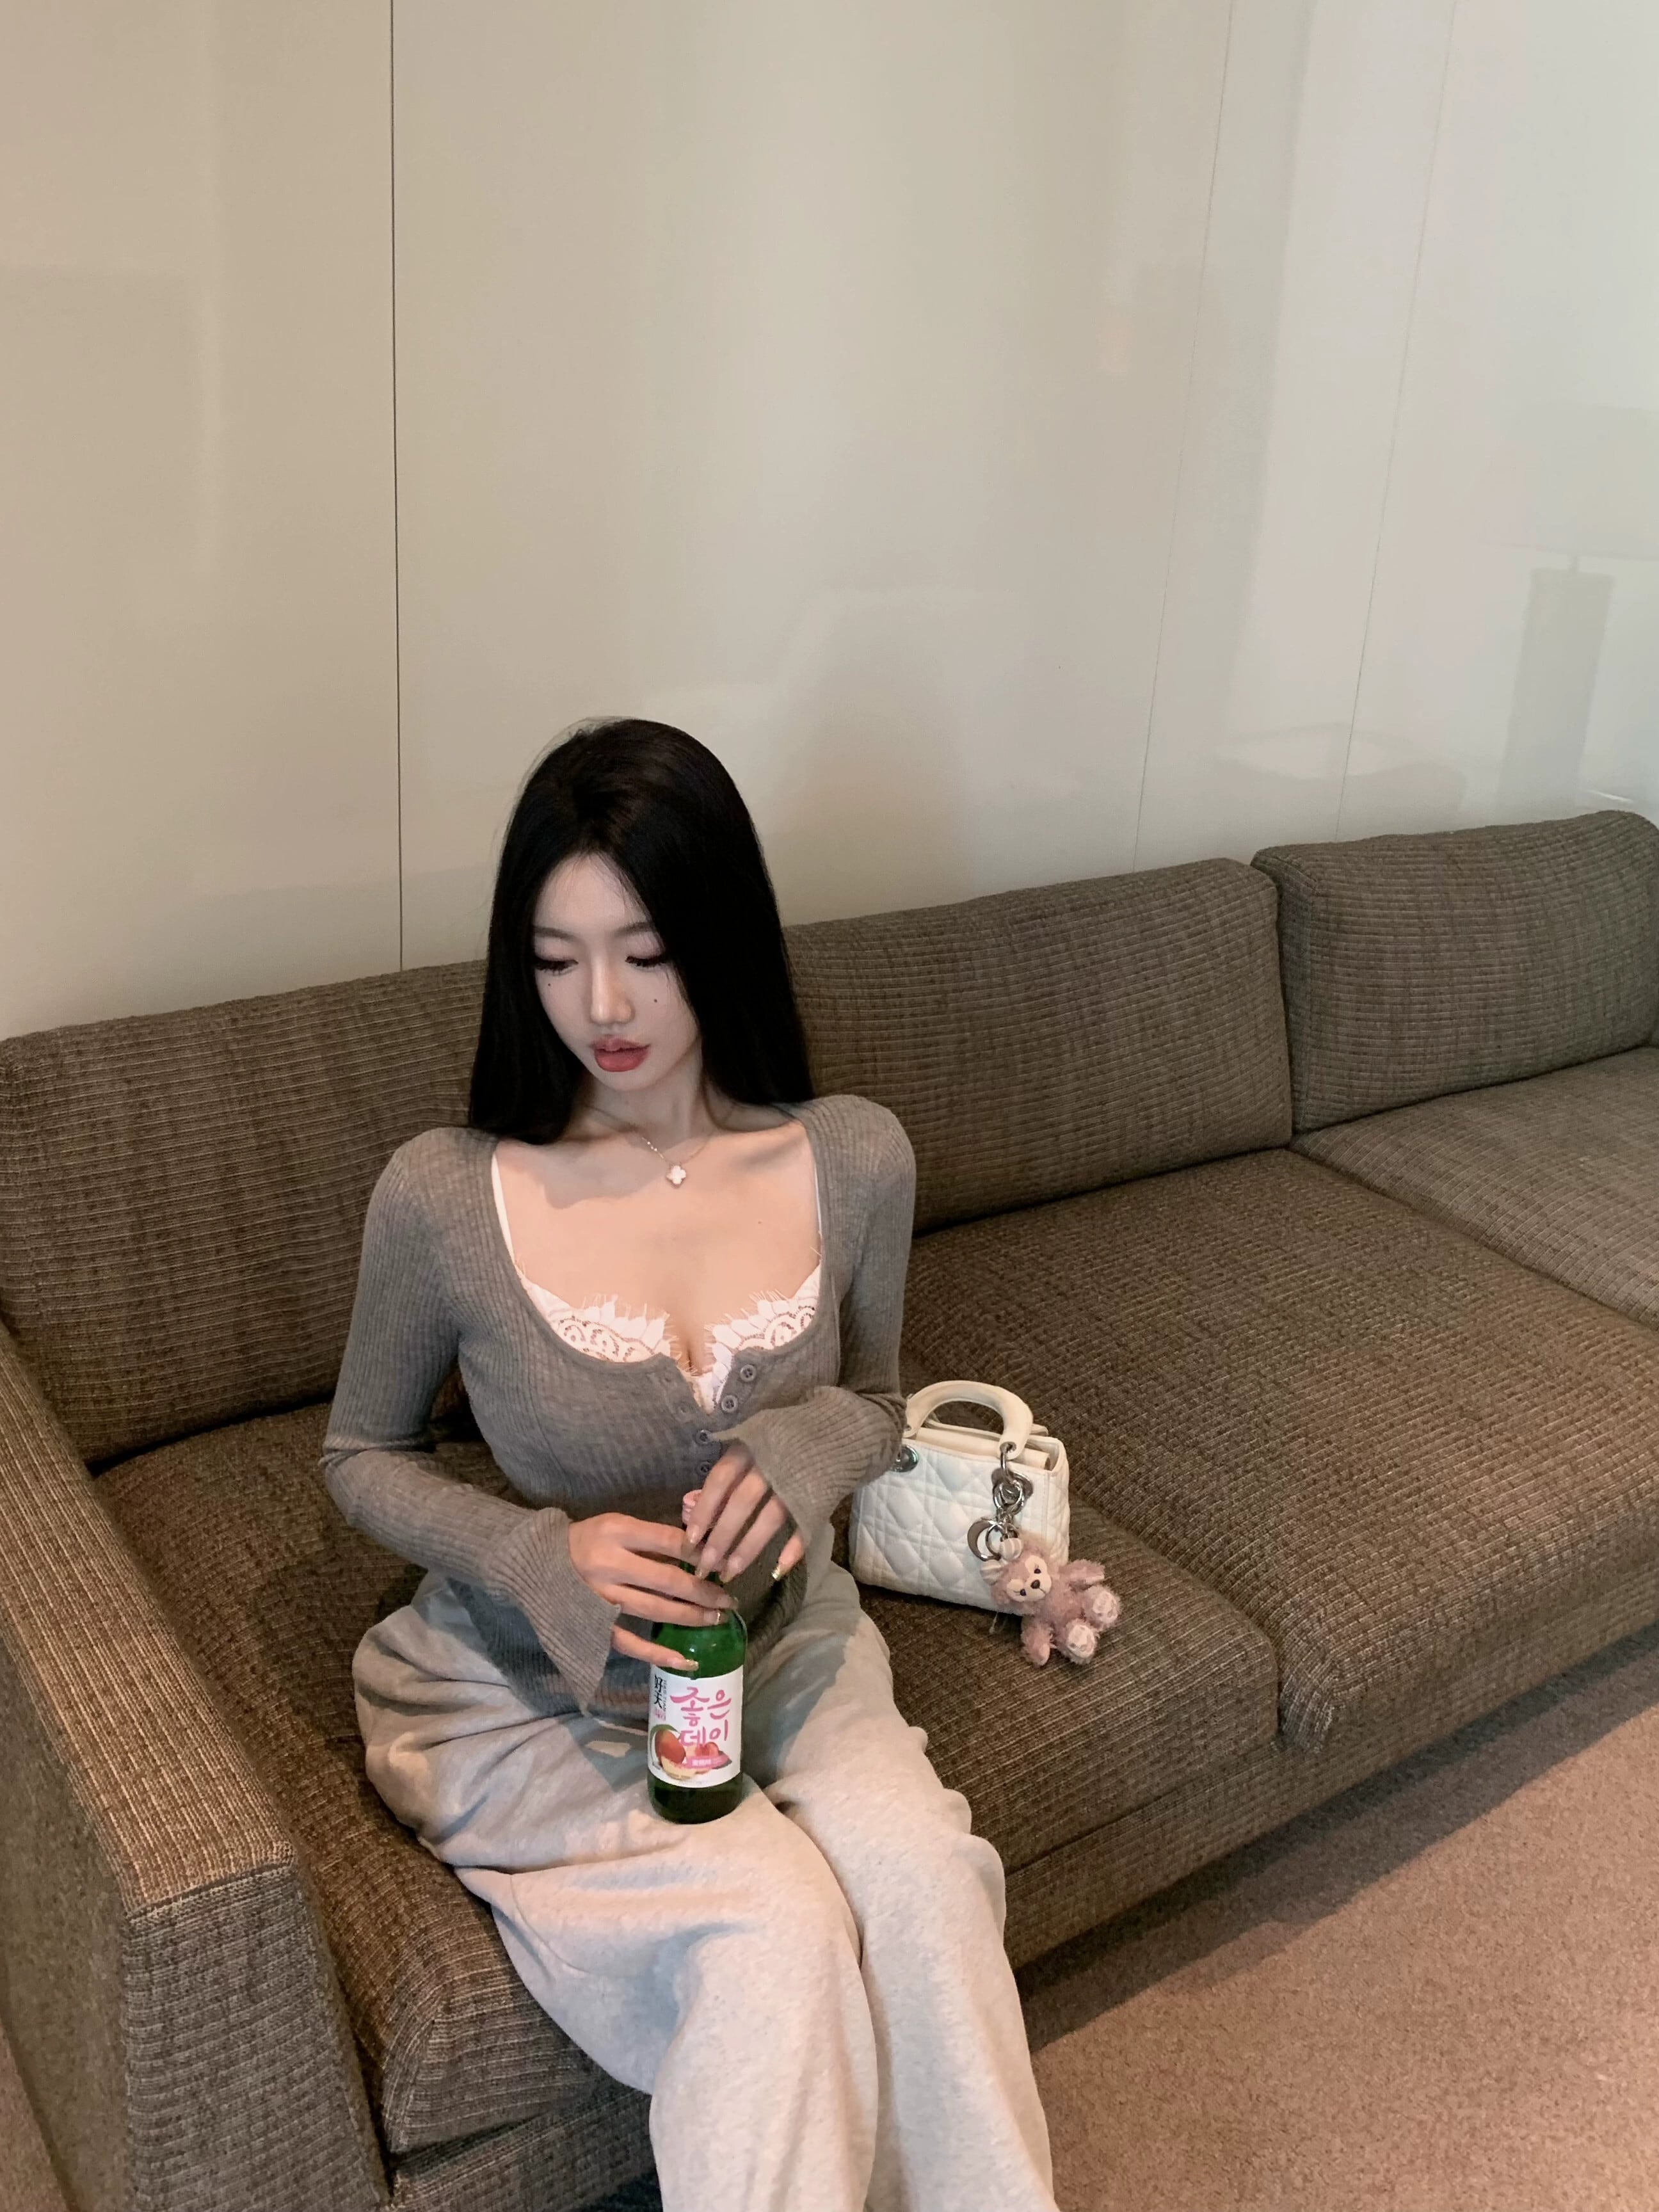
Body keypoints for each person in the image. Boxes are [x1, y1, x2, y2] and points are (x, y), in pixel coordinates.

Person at [322, 719, 1059, 2212]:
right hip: (534, 1684)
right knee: (771, 1926)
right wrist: (536, 1553)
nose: (601, 1005)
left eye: (646, 953)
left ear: (721, 935)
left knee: (923, 1884)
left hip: (780, 1646)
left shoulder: (855, 1158)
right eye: (556, 958)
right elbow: (358, 1453)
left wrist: (807, 1442)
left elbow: (876, 1400)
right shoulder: (445, 1195)